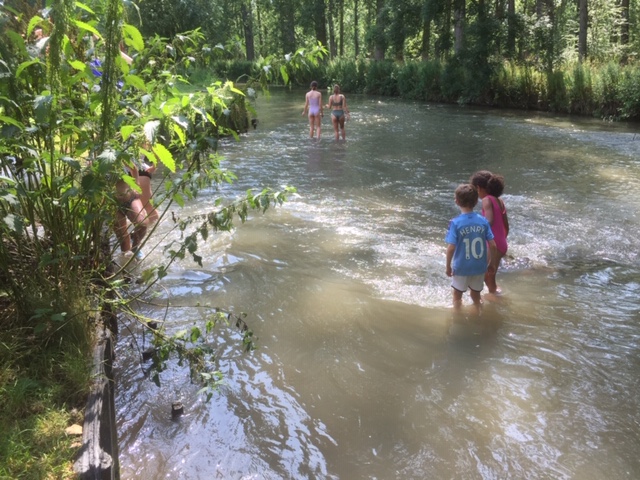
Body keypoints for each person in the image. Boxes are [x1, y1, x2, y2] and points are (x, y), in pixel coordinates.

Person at [445, 184, 498, 314]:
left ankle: (457, 318)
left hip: (462, 267)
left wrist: (448, 267)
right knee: (476, 294)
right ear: (476, 201)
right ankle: (478, 313)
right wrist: (491, 264)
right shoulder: (483, 221)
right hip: (480, 267)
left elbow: (451, 248)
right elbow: (493, 245)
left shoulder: (455, 223)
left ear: (456, 201)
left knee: (457, 295)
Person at [470, 170, 509, 294]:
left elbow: (489, 221)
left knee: (487, 275)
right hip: (501, 243)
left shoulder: (487, 200)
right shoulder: (499, 201)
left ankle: (496, 296)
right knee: (489, 275)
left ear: (478, 188)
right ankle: (495, 294)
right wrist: (503, 239)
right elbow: (506, 225)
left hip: (494, 243)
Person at [114, 164, 148, 260]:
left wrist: (136, 185)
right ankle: (129, 265)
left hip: (130, 198)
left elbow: (134, 168)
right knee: (123, 241)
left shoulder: (117, 153)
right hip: (112, 203)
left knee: (142, 224)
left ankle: (135, 248)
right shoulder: (96, 157)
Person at [137, 147, 158, 225]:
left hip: (139, 170)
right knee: (146, 206)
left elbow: (154, 147)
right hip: (119, 173)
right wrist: (154, 166)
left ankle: (155, 231)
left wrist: (154, 166)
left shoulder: (139, 135)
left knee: (147, 206)